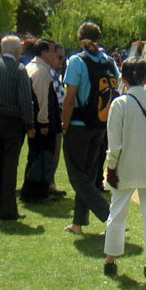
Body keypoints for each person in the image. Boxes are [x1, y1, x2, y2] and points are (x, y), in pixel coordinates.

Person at [103, 57, 146, 278]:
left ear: (124, 79)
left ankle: (110, 259)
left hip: (125, 167)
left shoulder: (120, 104)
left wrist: (111, 167)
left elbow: (114, 144)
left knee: (117, 212)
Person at [62, 21, 119, 234]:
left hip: (79, 125)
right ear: (99, 38)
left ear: (80, 39)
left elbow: (70, 99)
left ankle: (111, 217)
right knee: (87, 174)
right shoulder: (109, 61)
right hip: (100, 125)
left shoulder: (76, 61)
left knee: (77, 176)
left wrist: (64, 124)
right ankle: (78, 223)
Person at [0, 35, 35, 220]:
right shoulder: (19, 69)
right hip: (12, 121)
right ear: (16, 51)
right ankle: (8, 209)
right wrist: (29, 124)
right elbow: (25, 100)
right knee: (10, 166)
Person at [21, 39, 61, 202]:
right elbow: (42, 99)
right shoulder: (41, 71)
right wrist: (44, 122)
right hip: (42, 124)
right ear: (43, 53)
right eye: (52, 51)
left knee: (36, 156)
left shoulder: (32, 67)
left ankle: (35, 191)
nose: (55, 55)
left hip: (35, 121)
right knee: (42, 157)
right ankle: (36, 193)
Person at [48, 43, 67, 197]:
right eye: (59, 57)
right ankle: (49, 185)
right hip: (53, 116)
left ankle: (49, 183)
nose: (61, 61)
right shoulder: (49, 72)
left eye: (63, 58)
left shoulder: (53, 72)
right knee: (53, 150)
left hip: (54, 115)